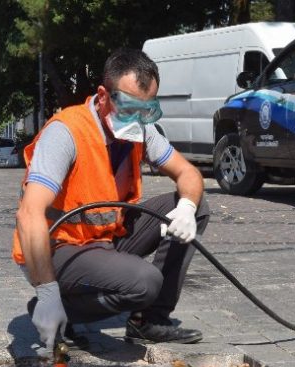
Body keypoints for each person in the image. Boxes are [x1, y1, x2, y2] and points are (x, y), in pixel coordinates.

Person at [12, 48, 209, 351]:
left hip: (105, 237)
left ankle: (147, 321)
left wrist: (186, 208)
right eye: (128, 109)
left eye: (146, 110)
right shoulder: (67, 132)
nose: (137, 120)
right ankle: (55, 308)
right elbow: (29, 215)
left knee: (196, 206)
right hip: (59, 246)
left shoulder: (141, 129)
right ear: (103, 96)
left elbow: (188, 173)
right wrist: (48, 293)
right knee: (145, 282)